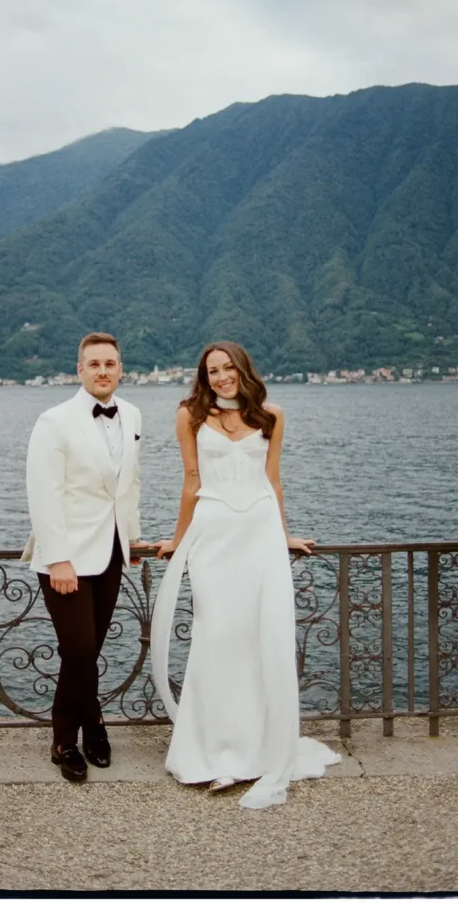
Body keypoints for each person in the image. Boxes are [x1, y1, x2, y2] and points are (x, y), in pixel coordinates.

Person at [150, 341, 341, 808]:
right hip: (213, 538)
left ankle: (258, 751)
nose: (220, 377)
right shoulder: (189, 416)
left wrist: (283, 536)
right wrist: (179, 540)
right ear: (204, 376)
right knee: (215, 637)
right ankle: (213, 754)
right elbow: (191, 481)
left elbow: (272, 481)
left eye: (227, 368)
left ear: (242, 369)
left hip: (259, 538)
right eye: (212, 371)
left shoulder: (272, 416)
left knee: (261, 642)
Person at [22, 332, 149, 782]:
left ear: (120, 369)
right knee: (77, 651)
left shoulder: (131, 414)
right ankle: (64, 739)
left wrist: (130, 541)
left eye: (109, 363)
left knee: (88, 651)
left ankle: (93, 722)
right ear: (79, 370)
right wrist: (57, 559)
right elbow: (43, 494)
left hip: (112, 551)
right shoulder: (53, 421)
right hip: (66, 560)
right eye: (93, 364)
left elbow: (127, 487)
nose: (102, 371)